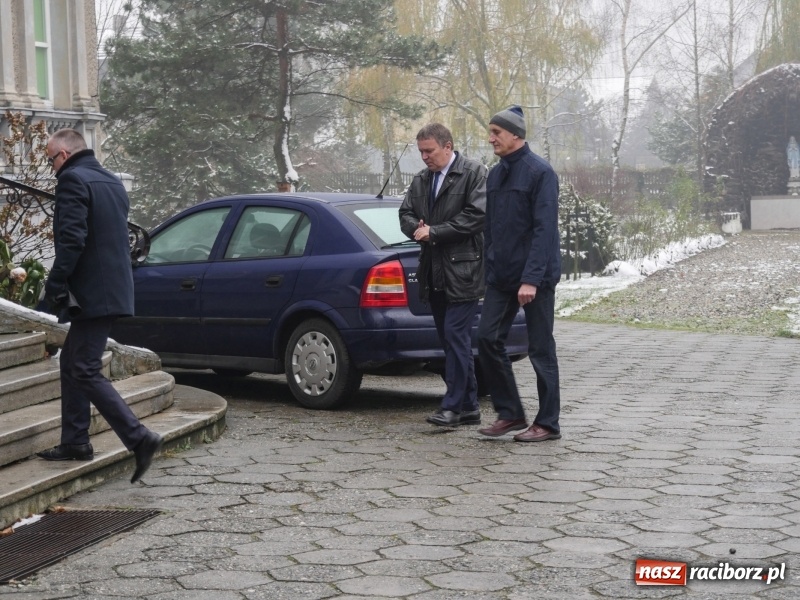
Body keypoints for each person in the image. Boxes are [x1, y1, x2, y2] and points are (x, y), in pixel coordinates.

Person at [36, 128, 163, 483]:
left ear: (63, 153)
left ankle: (140, 438)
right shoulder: (109, 180)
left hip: (93, 293)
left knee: (85, 367)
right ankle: (75, 442)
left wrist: (54, 285)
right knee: (73, 363)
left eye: (50, 160)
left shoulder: (73, 180)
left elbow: (72, 241)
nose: (51, 168)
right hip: (111, 289)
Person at [477, 106, 562, 442]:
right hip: (502, 277)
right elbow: (491, 228)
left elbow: (544, 231)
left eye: (497, 132)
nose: (491, 138)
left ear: (516, 134)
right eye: (491, 131)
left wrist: (531, 278)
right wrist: (491, 270)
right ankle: (510, 413)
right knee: (486, 338)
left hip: (535, 278)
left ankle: (548, 423)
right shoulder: (496, 175)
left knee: (541, 349)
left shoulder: (541, 173)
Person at [399, 123, 488, 427]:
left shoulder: (474, 173)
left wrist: (434, 232)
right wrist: (416, 229)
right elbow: (405, 213)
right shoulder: (422, 179)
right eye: (421, 151)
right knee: (452, 340)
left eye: (430, 151)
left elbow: (477, 216)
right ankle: (470, 406)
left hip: (464, 270)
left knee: (455, 336)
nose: (424, 157)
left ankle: (451, 406)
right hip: (433, 271)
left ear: (447, 146)